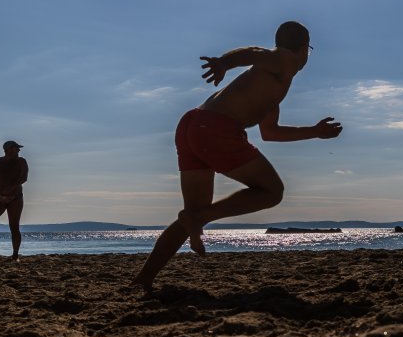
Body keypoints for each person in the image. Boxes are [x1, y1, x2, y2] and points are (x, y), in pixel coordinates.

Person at [131, 21, 343, 291]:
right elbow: (252, 52)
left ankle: (143, 279)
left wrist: (314, 132)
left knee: (191, 215)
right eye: (309, 49)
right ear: (304, 49)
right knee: (271, 191)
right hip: (215, 128)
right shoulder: (284, 60)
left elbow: (271, 132)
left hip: (192, 125)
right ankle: (201, 218)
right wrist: (223, 63)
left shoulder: (273, 81)